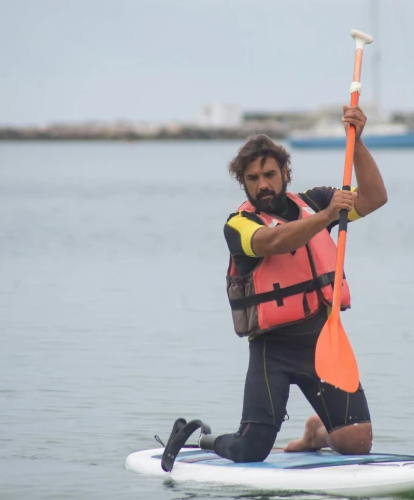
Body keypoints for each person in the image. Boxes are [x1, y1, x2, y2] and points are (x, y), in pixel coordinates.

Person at [160, 105, 388, 472]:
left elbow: (375, 198)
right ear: (244, 184)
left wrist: (357, 142)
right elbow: (272, 242)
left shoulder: (314, 201)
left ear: (285, 174)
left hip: (322, 341)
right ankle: (199, 438)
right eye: (252, 179)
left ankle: (318, 434)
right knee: (253, 448)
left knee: (356, 442)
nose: (262, 184)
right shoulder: (239, 225)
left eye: (269, 174)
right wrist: (329, 216)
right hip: (273, 350)